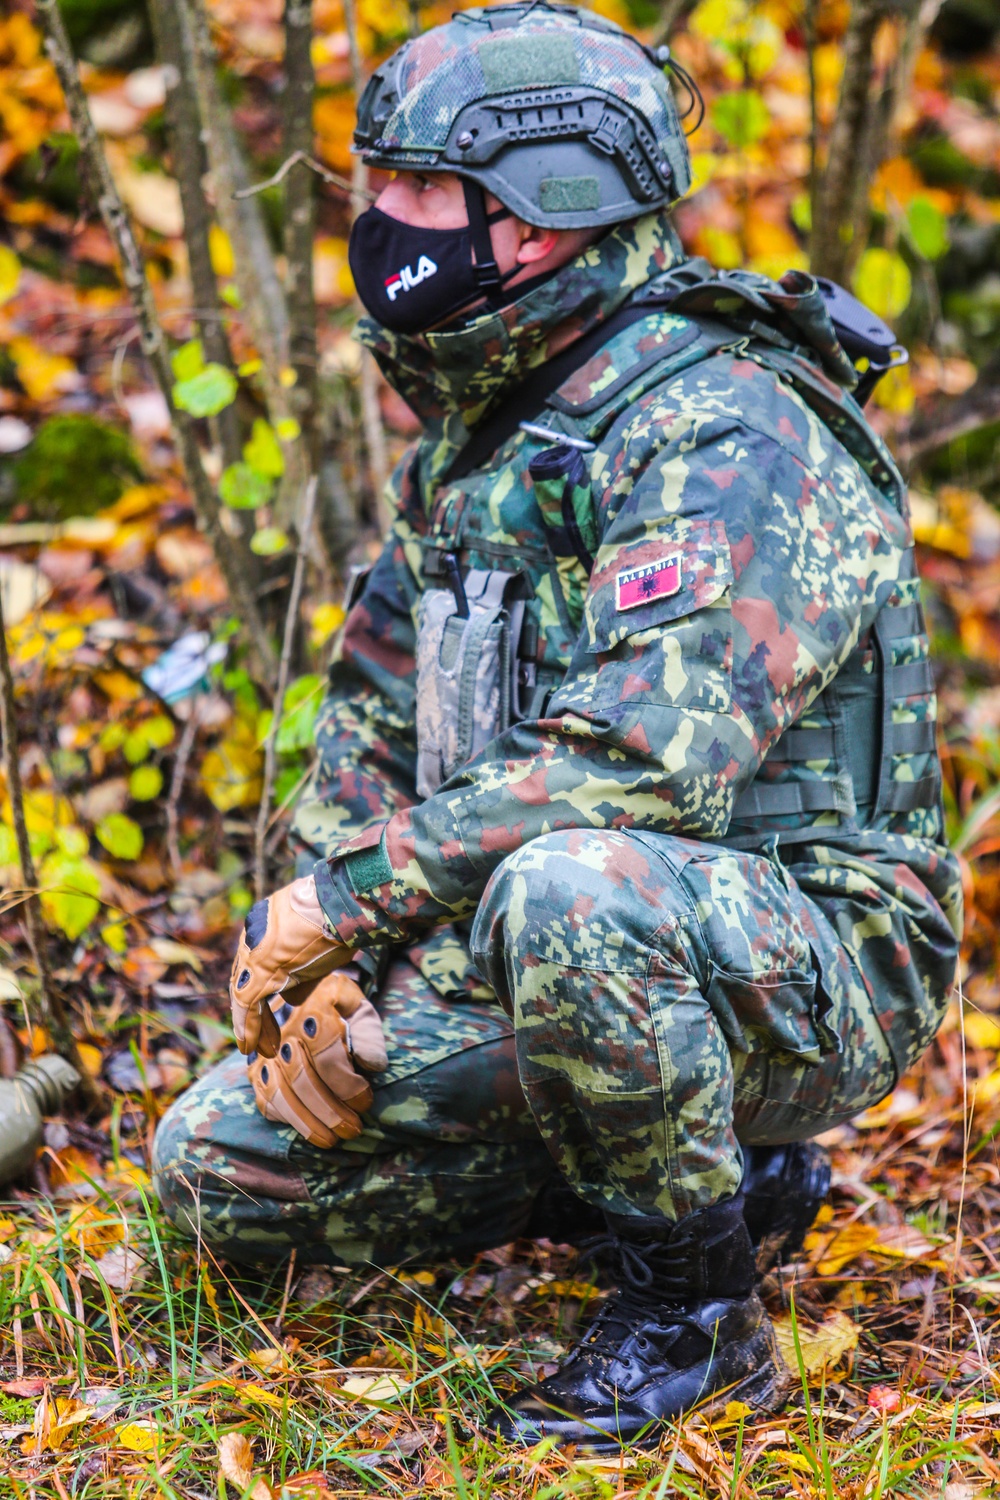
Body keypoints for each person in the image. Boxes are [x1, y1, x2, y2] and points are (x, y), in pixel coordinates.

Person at [153, 0, 962, 1451]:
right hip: (560, 936)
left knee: (572, 878)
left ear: (535, 220)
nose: (377, 219)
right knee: (223, 1168)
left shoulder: (732, 427)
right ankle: (708, 1165)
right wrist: (340, 959)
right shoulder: (491, 430)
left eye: (411, 189)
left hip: (817, 953)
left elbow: (645, 769)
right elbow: (375, 722)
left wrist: (345, 900)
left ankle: (693, 1309)